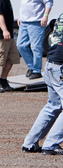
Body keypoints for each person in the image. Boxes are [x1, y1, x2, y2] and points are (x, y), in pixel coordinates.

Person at [22, 12, 63, 155]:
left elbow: (52, 24)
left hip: (51, 65)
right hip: (60, 67)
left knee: (53, 105)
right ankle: (51, 144)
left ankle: (29, 143)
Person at [17, 0, 53, 80]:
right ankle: (31, 67)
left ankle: (37, 70)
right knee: (21, 45)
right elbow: (23, 3)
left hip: (36, 21)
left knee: (36, 47)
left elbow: (49, 1)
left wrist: (45, 16)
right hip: (24, 22)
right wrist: (20, 16)